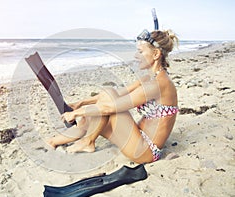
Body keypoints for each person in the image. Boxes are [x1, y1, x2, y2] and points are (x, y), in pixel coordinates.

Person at [47, 29, 179, 163]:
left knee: (106, 107)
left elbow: (111, 107)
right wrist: (80, 104)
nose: (136, 56)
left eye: (140, 52)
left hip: (145, 151)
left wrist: (76, 113)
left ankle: (88, 141)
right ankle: (54, 141)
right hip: (137, 137)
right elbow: (117, 93)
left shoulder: (158, 85)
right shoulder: (149, 78)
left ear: (156, 54)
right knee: (99, 108)